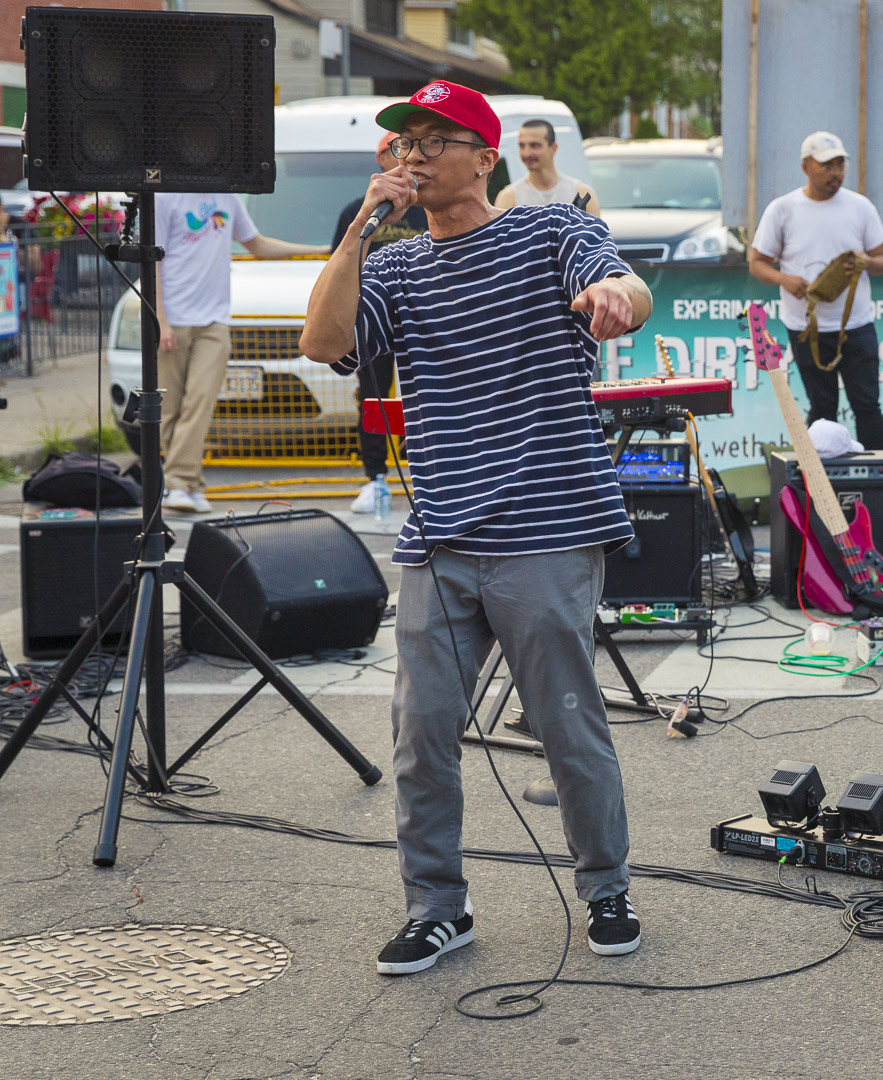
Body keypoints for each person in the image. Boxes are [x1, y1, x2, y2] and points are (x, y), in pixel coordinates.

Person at [300, 80, 652, 974]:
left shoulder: (545, 229)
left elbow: (623, 283)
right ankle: (437, 908)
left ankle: (606, 886)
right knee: (421, 732)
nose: (412, 153)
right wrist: (357, 232)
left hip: (547, 524)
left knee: (567, 724)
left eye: (433, 137)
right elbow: (322, 341)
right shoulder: (394, 266)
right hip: (442, 533)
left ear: (482, 157)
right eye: (402, 140)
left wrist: (617, 295)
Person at [155, 197, 327, 514]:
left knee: (201, 400)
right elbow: (154, 260)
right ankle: (185, 485)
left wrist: (316, 251)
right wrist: (160, 321)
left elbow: (257, 244)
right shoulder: (166, 197)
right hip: (173, 319)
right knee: (170, 409)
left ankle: (179, 482)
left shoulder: (228, 198)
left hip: (214, 319)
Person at [748, 131, 883, 449]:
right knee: (822, 411)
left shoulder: (860, 207)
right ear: (805, 167)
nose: (836, 173)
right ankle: (817, 490)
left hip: (855, 327)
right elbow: (757, 262)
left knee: (867, 407)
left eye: (841, 165)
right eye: (827, 165)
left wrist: (866, 261)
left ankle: (879, 485)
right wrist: (784, 279)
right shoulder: (783, 209)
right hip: (805, 330)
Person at [333, 131, 430, 513]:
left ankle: (425, 474)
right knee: (373, 397)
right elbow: (338, 269)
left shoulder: (426, 209)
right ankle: (375, 478)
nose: (405, 159)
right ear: (380, 159)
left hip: (422, 316)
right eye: (397, 150)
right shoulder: (357, 212)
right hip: (372, 317)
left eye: (411, 149)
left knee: (425, 395)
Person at [491, 119, 600, 213]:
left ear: (553, 148)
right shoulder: (508, 198)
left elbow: (596, 236)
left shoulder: (581, 193)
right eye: (522, 146)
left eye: (534, 145)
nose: (527, 153)